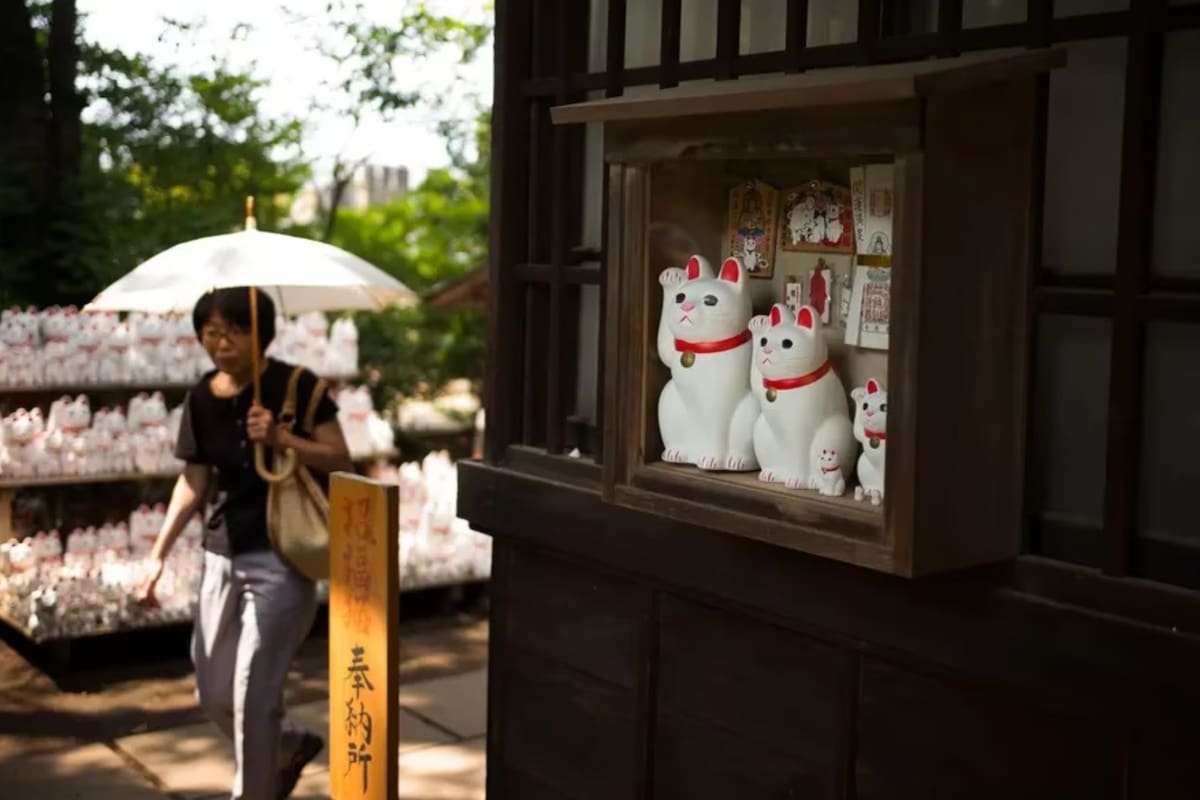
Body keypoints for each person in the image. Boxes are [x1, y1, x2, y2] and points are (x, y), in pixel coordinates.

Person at [138, 286, 353, 800]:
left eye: (235, 331)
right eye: (211, 332)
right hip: (219, 553)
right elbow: (193, 480)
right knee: (214, 692)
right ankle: (288, 745)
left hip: (283, 555)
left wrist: (282, 439)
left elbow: (339, 457)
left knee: (254, 697)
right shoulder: (200, 397)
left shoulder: (297, 385)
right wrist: (157, 554)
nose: (222, 343)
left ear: (263, 334)